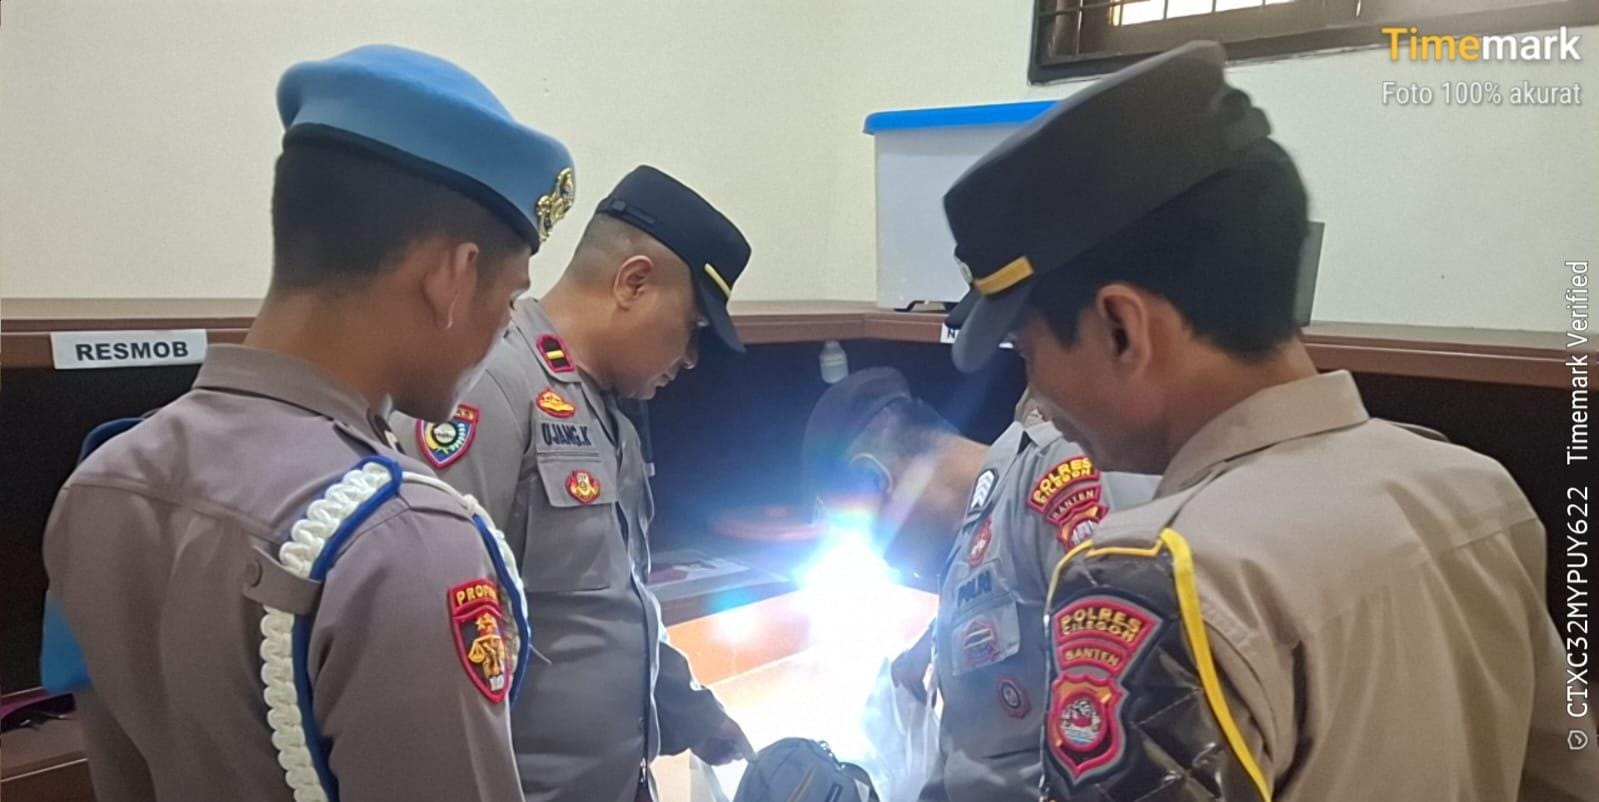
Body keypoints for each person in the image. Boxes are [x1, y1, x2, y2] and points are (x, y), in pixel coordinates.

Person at [940, 40, 1599, 802]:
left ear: (1122, 328)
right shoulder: (1471, 492)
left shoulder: (1150, 574)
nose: (1037, 396)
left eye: (1028, 351)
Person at [41, 45, 574, 801]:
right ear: (452, 276)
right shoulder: (402, 539)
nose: (506, 325)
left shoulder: (101, 481)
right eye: (511, 294)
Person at [392, 165, 754, 802]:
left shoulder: (613, 421)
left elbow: (613, 606)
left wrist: (694, 715)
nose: (691, 357)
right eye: (692, 326)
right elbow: (419, 633)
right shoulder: (489, 387)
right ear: (633, 282)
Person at [800, 368, 1156, 802]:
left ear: (876, 481)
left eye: (863, 533)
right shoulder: (965, 552)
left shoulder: (1052, 485)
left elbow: (1134, 718)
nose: (883, 558)